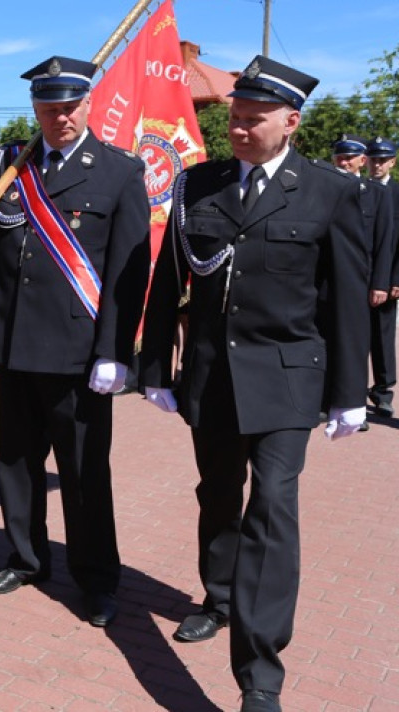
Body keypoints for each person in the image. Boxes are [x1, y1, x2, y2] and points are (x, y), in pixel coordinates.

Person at [139, 56, 369, 712]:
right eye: (234, 117)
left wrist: (350, 392)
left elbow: (344, 302)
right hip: (211, 376)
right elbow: (169, 285)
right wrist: (157, 367)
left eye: (252, 119)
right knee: (217, 493)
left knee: (272, 507)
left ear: (291, 121)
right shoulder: (197, 185)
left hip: (288, 378)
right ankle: (218, 597)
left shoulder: (329, 192)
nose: (237, 129)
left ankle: (260, 675)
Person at [0, 55, 151, 627]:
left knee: (84, 473)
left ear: (88, 105)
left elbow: (129, 269)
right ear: (36, 110)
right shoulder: (11, 164)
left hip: (78, 354)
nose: (59, 117)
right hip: (15, 345)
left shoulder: (118, 171)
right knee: (16, 466)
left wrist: (115, 352)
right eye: (48, 108)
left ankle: (96, 579)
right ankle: (25, 559)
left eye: (69, 107)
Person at [331, 136, 394, 427]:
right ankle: (332, 397)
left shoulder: (378, 194)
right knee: (333, 340)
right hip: (330, 284)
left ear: (362, 160)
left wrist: (385, 281)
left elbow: (387, 241)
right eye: (339, 157)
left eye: (350, 157)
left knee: (368, 341)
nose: (343, 162)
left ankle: (368, 397)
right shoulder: (324, 189)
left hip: (367, 280)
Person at [365, 136, 399, 418]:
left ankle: (383, 391)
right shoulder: (358, 190)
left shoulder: (397, 194)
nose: (377, 164)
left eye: (382, 159)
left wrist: (396, 278)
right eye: (373, 158)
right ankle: (352, 389)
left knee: (383, 337)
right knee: (355, 337)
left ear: (392, 162)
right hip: (358, 278)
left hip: (388, 278)